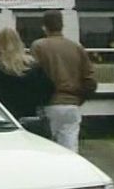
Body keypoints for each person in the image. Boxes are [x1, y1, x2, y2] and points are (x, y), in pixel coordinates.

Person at [30, 10, 97, 152]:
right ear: (62, 25)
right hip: (72, 104)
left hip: (48, 103)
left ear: (44, 26)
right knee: (70, 149)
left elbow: (34, 76)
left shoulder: (38, 46)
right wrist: (79, 99)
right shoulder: (76, 47)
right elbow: (90, 81)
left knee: (46, 149)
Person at [0, 28, 55, 120]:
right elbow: (48, 92)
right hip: (29, 118)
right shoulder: (34, 68)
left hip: (3, 119)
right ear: (19, 44)